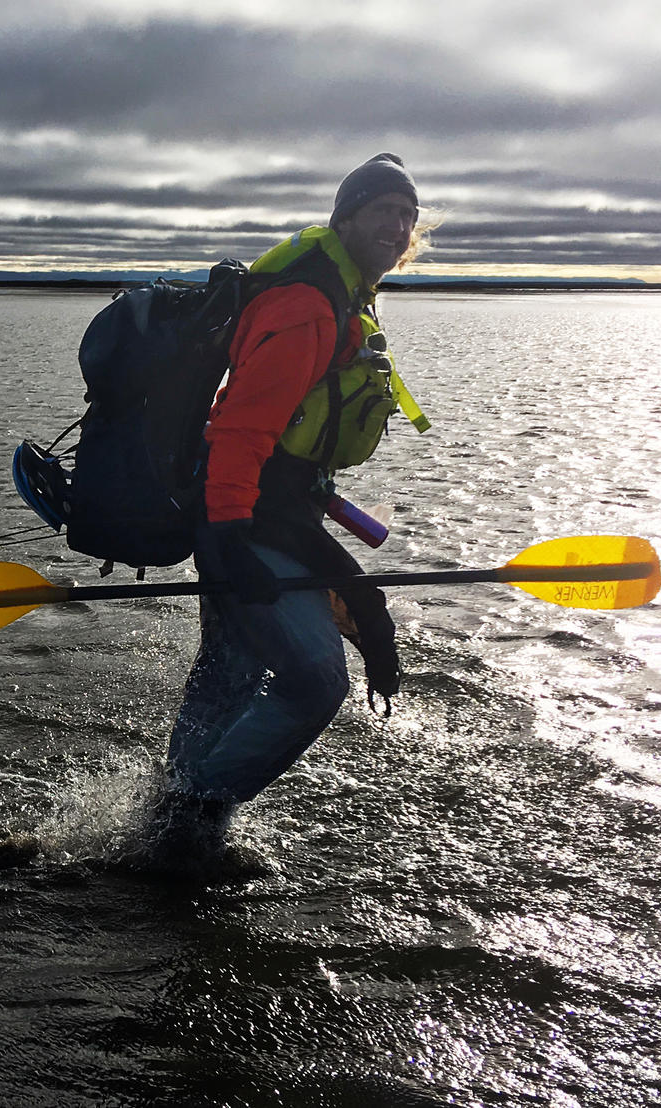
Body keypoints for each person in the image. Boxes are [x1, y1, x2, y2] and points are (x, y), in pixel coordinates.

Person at [160, 153, 429, 842]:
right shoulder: (309, 306)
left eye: (407, 216)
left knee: (230, 674)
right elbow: (242, 428)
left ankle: (166, 833)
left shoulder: (344, 297)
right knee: (314, 681)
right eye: (382, 212)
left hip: (269, 511)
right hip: (246, 517)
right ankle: (195, 810)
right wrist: (225, 534)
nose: (397, 228)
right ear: (346, 220)